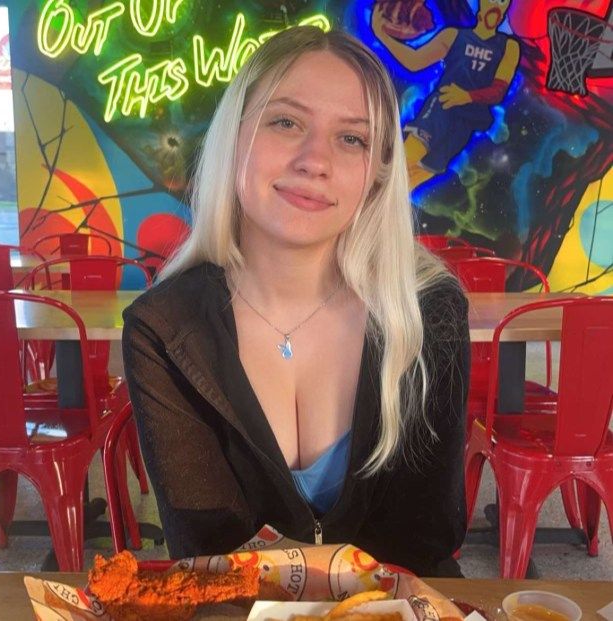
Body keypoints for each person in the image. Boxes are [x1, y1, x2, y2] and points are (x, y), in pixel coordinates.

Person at [122, 25, 470, 577]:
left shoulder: (428, 310)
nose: (315, 160)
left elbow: (424, 542)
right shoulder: (164, 327)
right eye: (286, 122)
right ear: (235, 136)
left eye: (351, 139)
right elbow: (207, 558)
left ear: (377, 174)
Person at [372, 0, 520, 189]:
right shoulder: (454, 36)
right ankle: (362, 194)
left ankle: (374, 205)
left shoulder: (509, 47)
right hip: (441, 108)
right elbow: (414, 61)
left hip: (465, 124)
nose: (496, 5)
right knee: (401, 164)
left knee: (412, 180)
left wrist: (467, 96)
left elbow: (498, 91)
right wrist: (381, 35)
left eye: (502, 1)